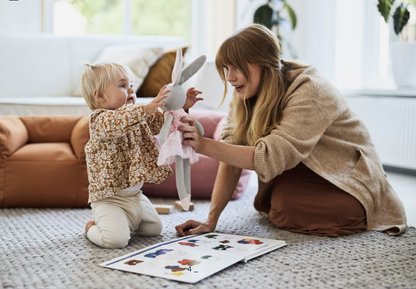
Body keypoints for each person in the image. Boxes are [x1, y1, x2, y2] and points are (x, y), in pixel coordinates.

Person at [175, 24, 407, 238]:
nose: (229, 76)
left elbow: (269, 157)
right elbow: (232, 155)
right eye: (226, 68)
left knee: (285, 210)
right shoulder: (244, 94)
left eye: (236, 67)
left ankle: (362, 208)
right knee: (277, 206)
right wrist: (210, 220)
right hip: (306, 168)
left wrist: (204, 145)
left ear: (263, 63)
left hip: (346, 173)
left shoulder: (311, 90)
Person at [81, 61, 202, 248]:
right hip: (109, 200)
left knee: (154, 229)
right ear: (100, 95)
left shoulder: (136, 115)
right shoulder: (100, 120)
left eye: (131, 85)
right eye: (122, 86)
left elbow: (161, 123)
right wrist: (147, 108)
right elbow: (119, 122)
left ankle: (124, 222)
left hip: (135, 196)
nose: (130, 90)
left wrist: (181, 105)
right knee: (116, 241)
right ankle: (92, 227)